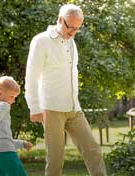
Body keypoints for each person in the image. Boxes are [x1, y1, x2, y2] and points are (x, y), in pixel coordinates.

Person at [24, 4, 107, 176]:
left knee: (93, 150)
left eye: (77, 28)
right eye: (71, 27)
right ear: (60, 20)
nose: (73, 32)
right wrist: (34, 108)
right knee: (55, 160)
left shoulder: (71, 42)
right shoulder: (42, 41)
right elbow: (31, 76)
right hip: (52, 109)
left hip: (74, 108)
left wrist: (75, 104)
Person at [0, 76, 33, 176]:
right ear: (0, 93)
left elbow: (1, 138)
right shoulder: (4, 105)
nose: (13, 101)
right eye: (12, 96)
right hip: (5, 153)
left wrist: (21, 143)